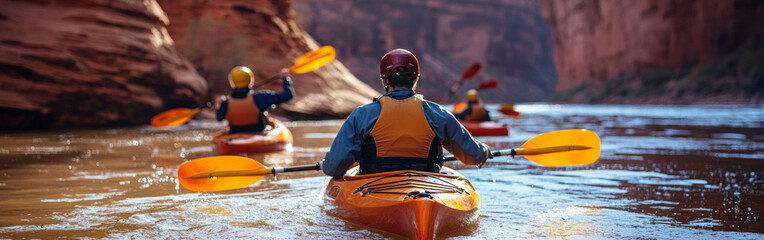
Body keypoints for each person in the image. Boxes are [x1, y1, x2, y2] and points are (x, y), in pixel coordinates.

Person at [321, 49, 491, 179]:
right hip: (426, 185)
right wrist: (485, 151)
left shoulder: (362, 115)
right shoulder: (438, 113)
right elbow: (474, 156)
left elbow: (335, 168)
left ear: (384, 80)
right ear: (415, 79)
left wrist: (326, 166)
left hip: (374, 184)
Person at [216, 66, 294, 134]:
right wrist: (285, 78)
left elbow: (219, 118)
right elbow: (288, 95)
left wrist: (218, 104)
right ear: (250, 80)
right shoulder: (261, 97)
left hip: (234, 137)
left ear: (232, 82)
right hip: (258, 134)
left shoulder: (226, 103)